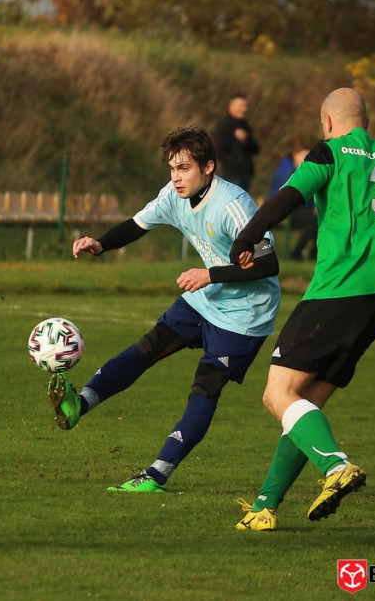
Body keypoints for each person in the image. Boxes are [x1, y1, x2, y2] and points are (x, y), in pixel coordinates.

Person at [229, 88, 375, 531]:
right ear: (365, 120)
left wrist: (246, 238)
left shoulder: (329, 152)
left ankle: (336, 467)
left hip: (333, 294)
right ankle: (265, 507)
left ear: (329, 123)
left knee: (277, 395)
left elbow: (290, 195)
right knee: (305, 403)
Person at [50, 125, 281, 493]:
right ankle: (80, 403)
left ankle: (156, 475)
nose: (176, 177)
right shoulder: (173, 196)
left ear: (208, 167)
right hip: (204, 297)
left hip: (245, 314)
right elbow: (137, 225)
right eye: (172, 168)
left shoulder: (233, 205)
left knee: (205, 388)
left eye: (184, 168)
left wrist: (210, 274)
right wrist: (101, 243)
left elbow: (269, 265)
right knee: (148, 347)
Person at [268, 144, 318, 260]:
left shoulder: (310, 172)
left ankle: (314, 253)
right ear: (296, 157)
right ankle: (298, 253)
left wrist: (317, 206)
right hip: (291, 209)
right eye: (304, 155)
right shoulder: (292, 173)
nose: (307, 157)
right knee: (313, 222)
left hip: (307, 209)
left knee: (320, 220)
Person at [213, 94, 260, 193]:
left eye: (245, 106)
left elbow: (255, 149)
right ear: (231, 106)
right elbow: (219, 149)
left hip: (246, 173)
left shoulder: (245, 124)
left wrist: (245, 141)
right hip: (232, 174)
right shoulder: (223, 125)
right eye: (241, 106)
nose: (244, 109)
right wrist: (233, 164)